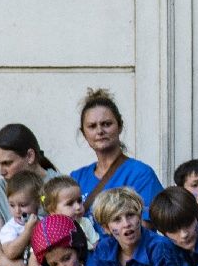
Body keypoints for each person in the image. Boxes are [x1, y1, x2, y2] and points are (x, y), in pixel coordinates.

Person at [69, 89, 165, 238]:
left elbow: (145, 230)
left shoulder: (141, 173)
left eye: (106, 124)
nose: (100, 131)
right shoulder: (76, 178)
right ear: (84, 133)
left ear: (119, 126)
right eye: (92, 126)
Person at [0, 124, 58, 266]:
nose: (2, 171)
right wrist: (8, 265)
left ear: (30, 156)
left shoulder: (58, 184)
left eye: (7, 163)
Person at [0, 169, 50, 266]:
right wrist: (28, 231)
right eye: (12, 205)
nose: (17, 210)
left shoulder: (44, 222)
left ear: (38, 202)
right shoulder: (10, 228)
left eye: (23, 205)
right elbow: (10, 252)